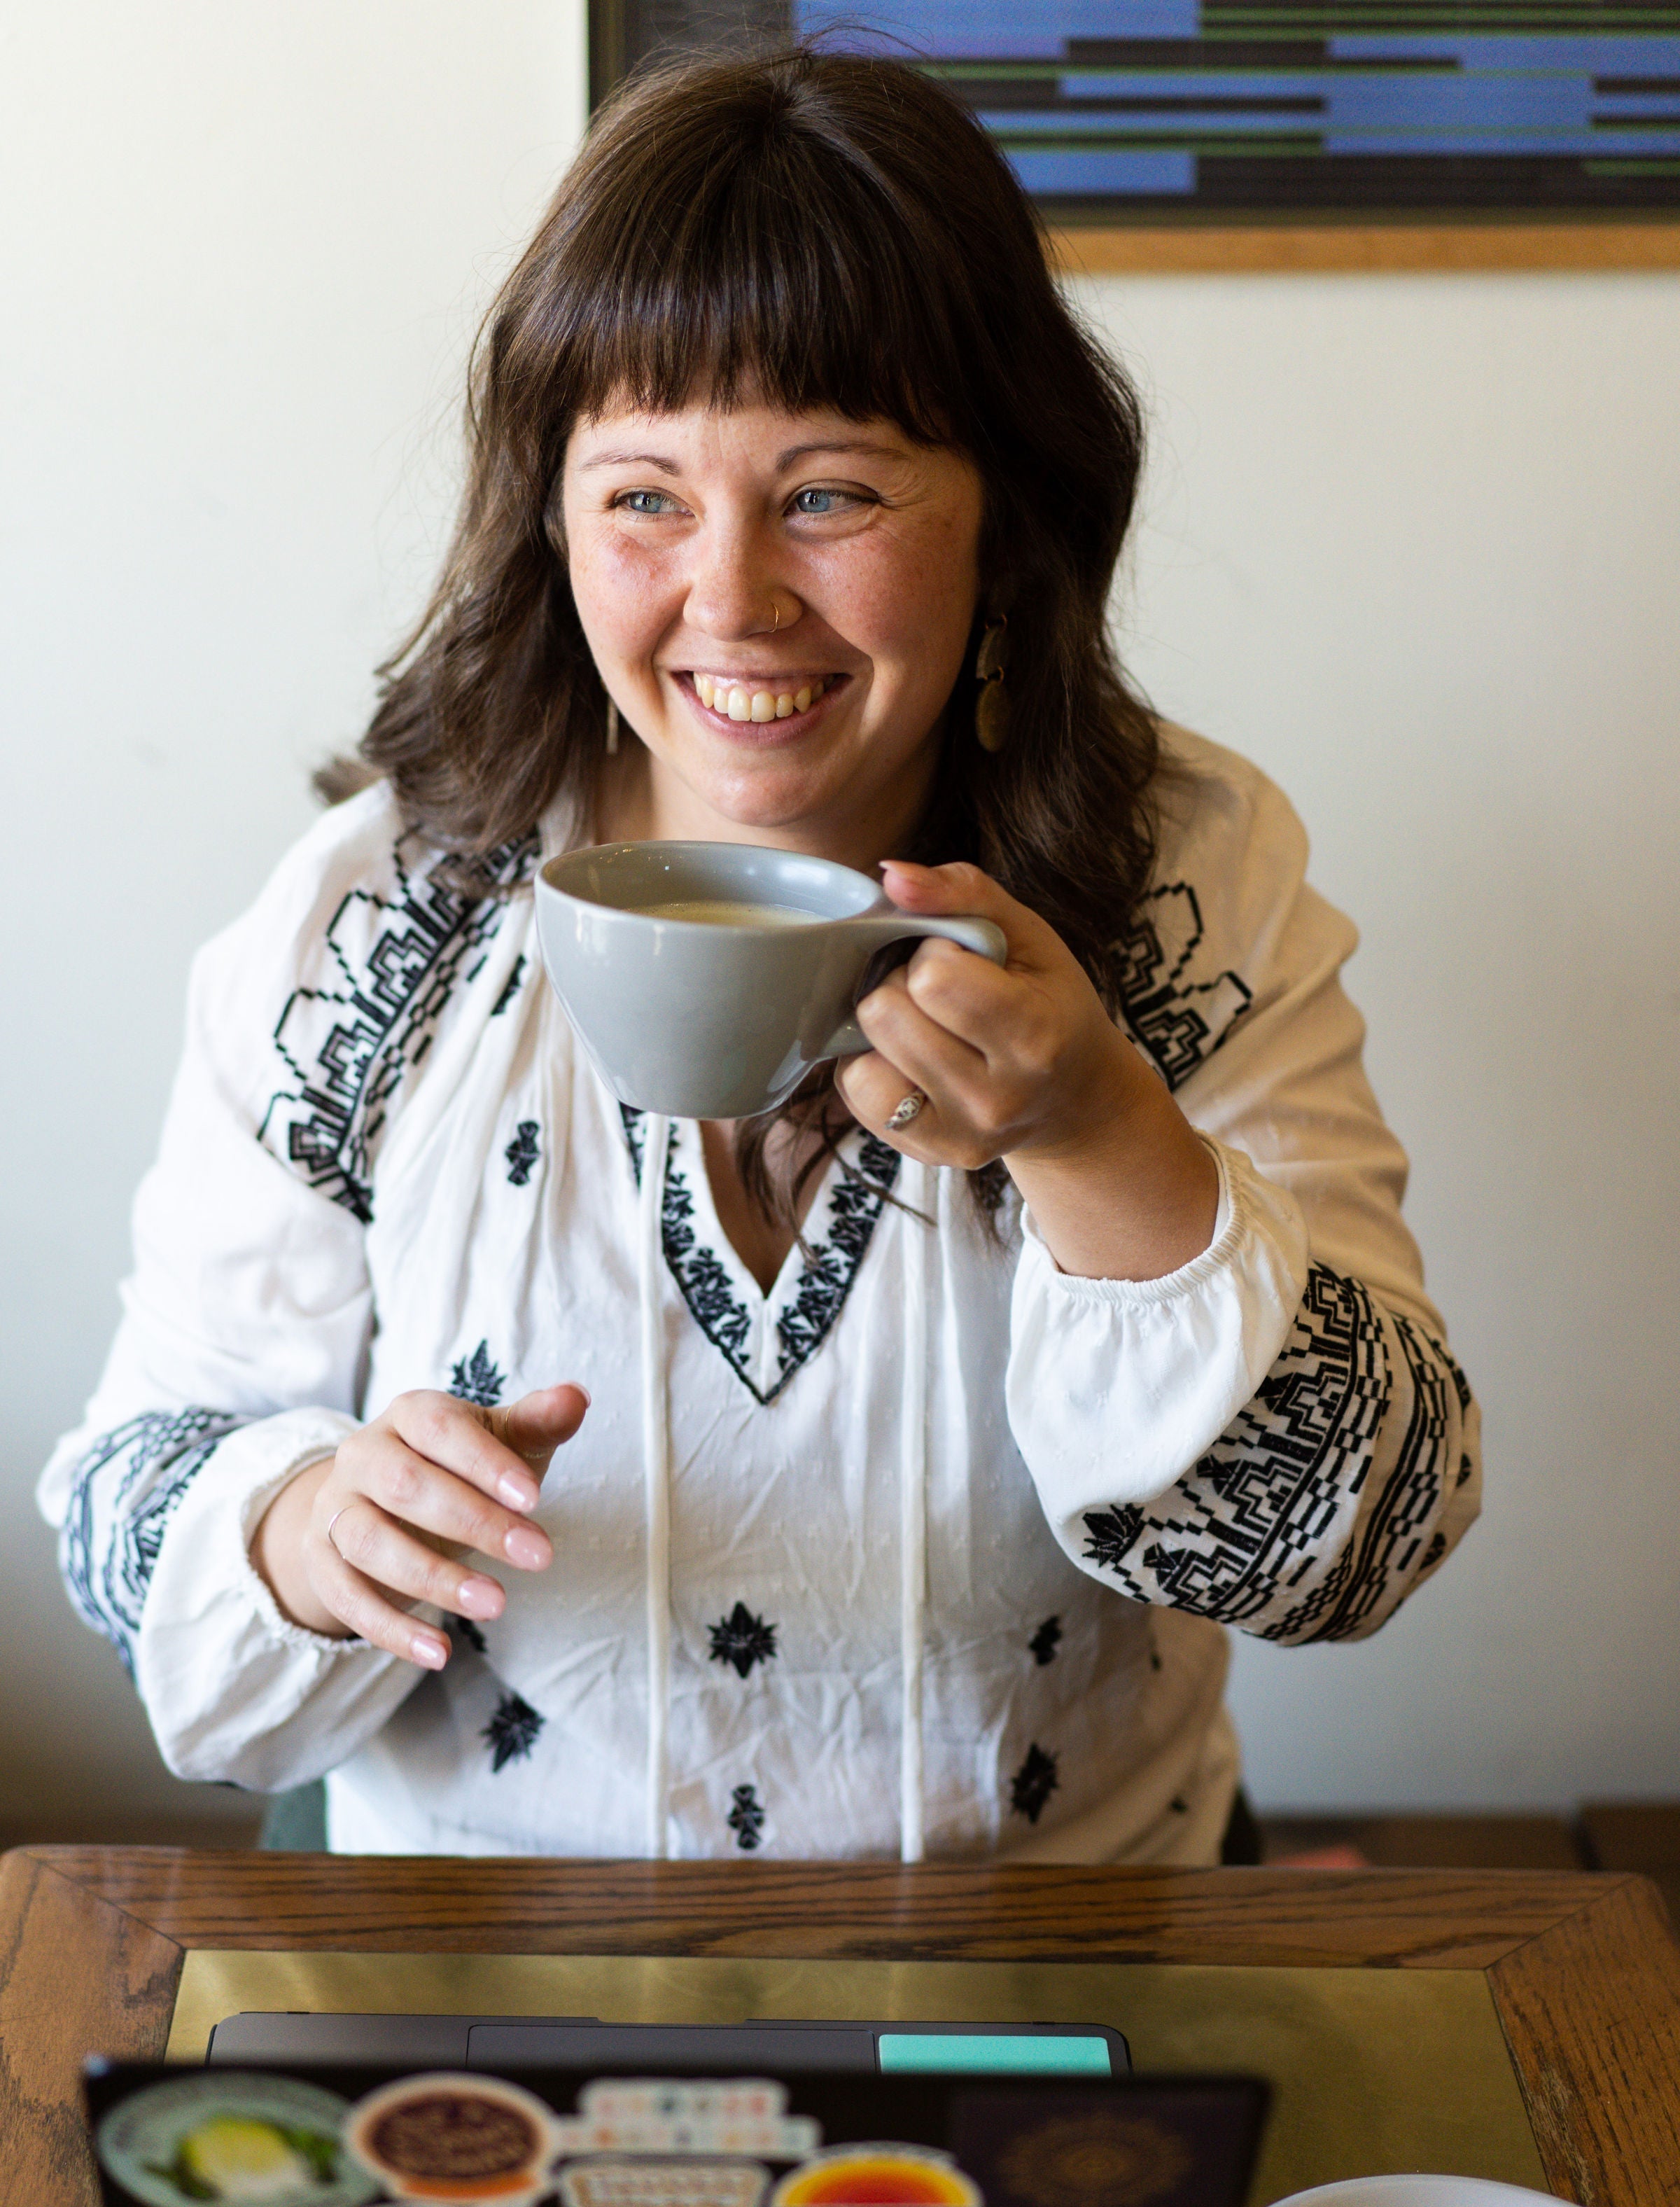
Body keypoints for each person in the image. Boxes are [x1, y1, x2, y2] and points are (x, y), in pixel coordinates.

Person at [38, 48, 1479, 1865]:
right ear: (548, 510)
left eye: (830, 494)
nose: (730, 601)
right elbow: (128, 1488)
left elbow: (1363, 1542)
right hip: (492, 2005)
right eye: (644, 495)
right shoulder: (375, 923)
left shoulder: (1172, 885)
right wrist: (305, 1530)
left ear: (1006, 513)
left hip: (1069, 1982)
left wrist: (1103, 1134)